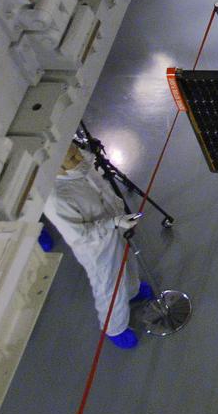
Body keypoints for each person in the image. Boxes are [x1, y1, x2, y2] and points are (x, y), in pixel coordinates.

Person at [43, 145, 151, 350]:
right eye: (71, 157)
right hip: (97, 247)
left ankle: (132, 291)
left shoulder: (79, 166)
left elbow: (101, 188)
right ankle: (114, 328)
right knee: (108, 286)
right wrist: (113, 223)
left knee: (128, 262)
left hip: (115, 224)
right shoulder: (55, 198)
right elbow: (81, 235)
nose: (79, 159)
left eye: (75, 151)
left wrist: (117, 213)